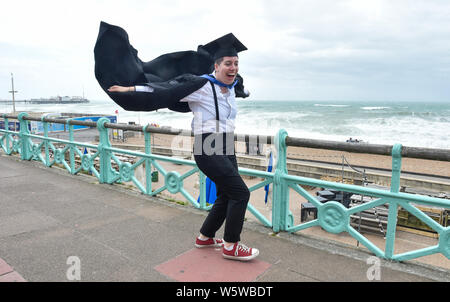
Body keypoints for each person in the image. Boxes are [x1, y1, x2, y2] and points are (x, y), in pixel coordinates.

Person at [108, 33, 258, 261]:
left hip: (227, 144)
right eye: (228, 63)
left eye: (236, 63)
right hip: (208, 146)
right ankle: (231, 245)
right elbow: (164, 90)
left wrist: (245, 91)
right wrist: (130, 90)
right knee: (240, 193)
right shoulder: (202, 85)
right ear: (216, 66)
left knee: (226, 194)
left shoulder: (231, 86)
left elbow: (241, 90)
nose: (233, 67)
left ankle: (206, 237)